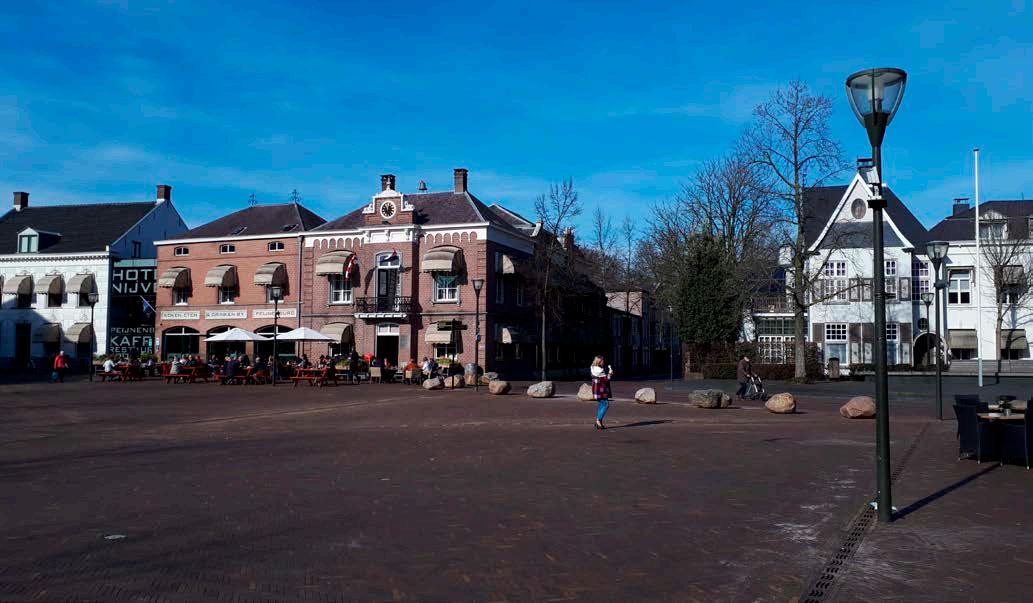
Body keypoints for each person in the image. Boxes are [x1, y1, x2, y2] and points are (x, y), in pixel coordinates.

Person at [591, 356, 613, 429]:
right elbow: (606, 380)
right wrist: (610, 373)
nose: (603, 362)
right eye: (602, 361)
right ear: (599, 362)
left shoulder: (593, 368)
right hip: (601, 390)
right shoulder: (600, 370)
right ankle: (598, 420)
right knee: (606, 404)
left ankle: (599, 422)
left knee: (601, 404)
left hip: (596, 389)